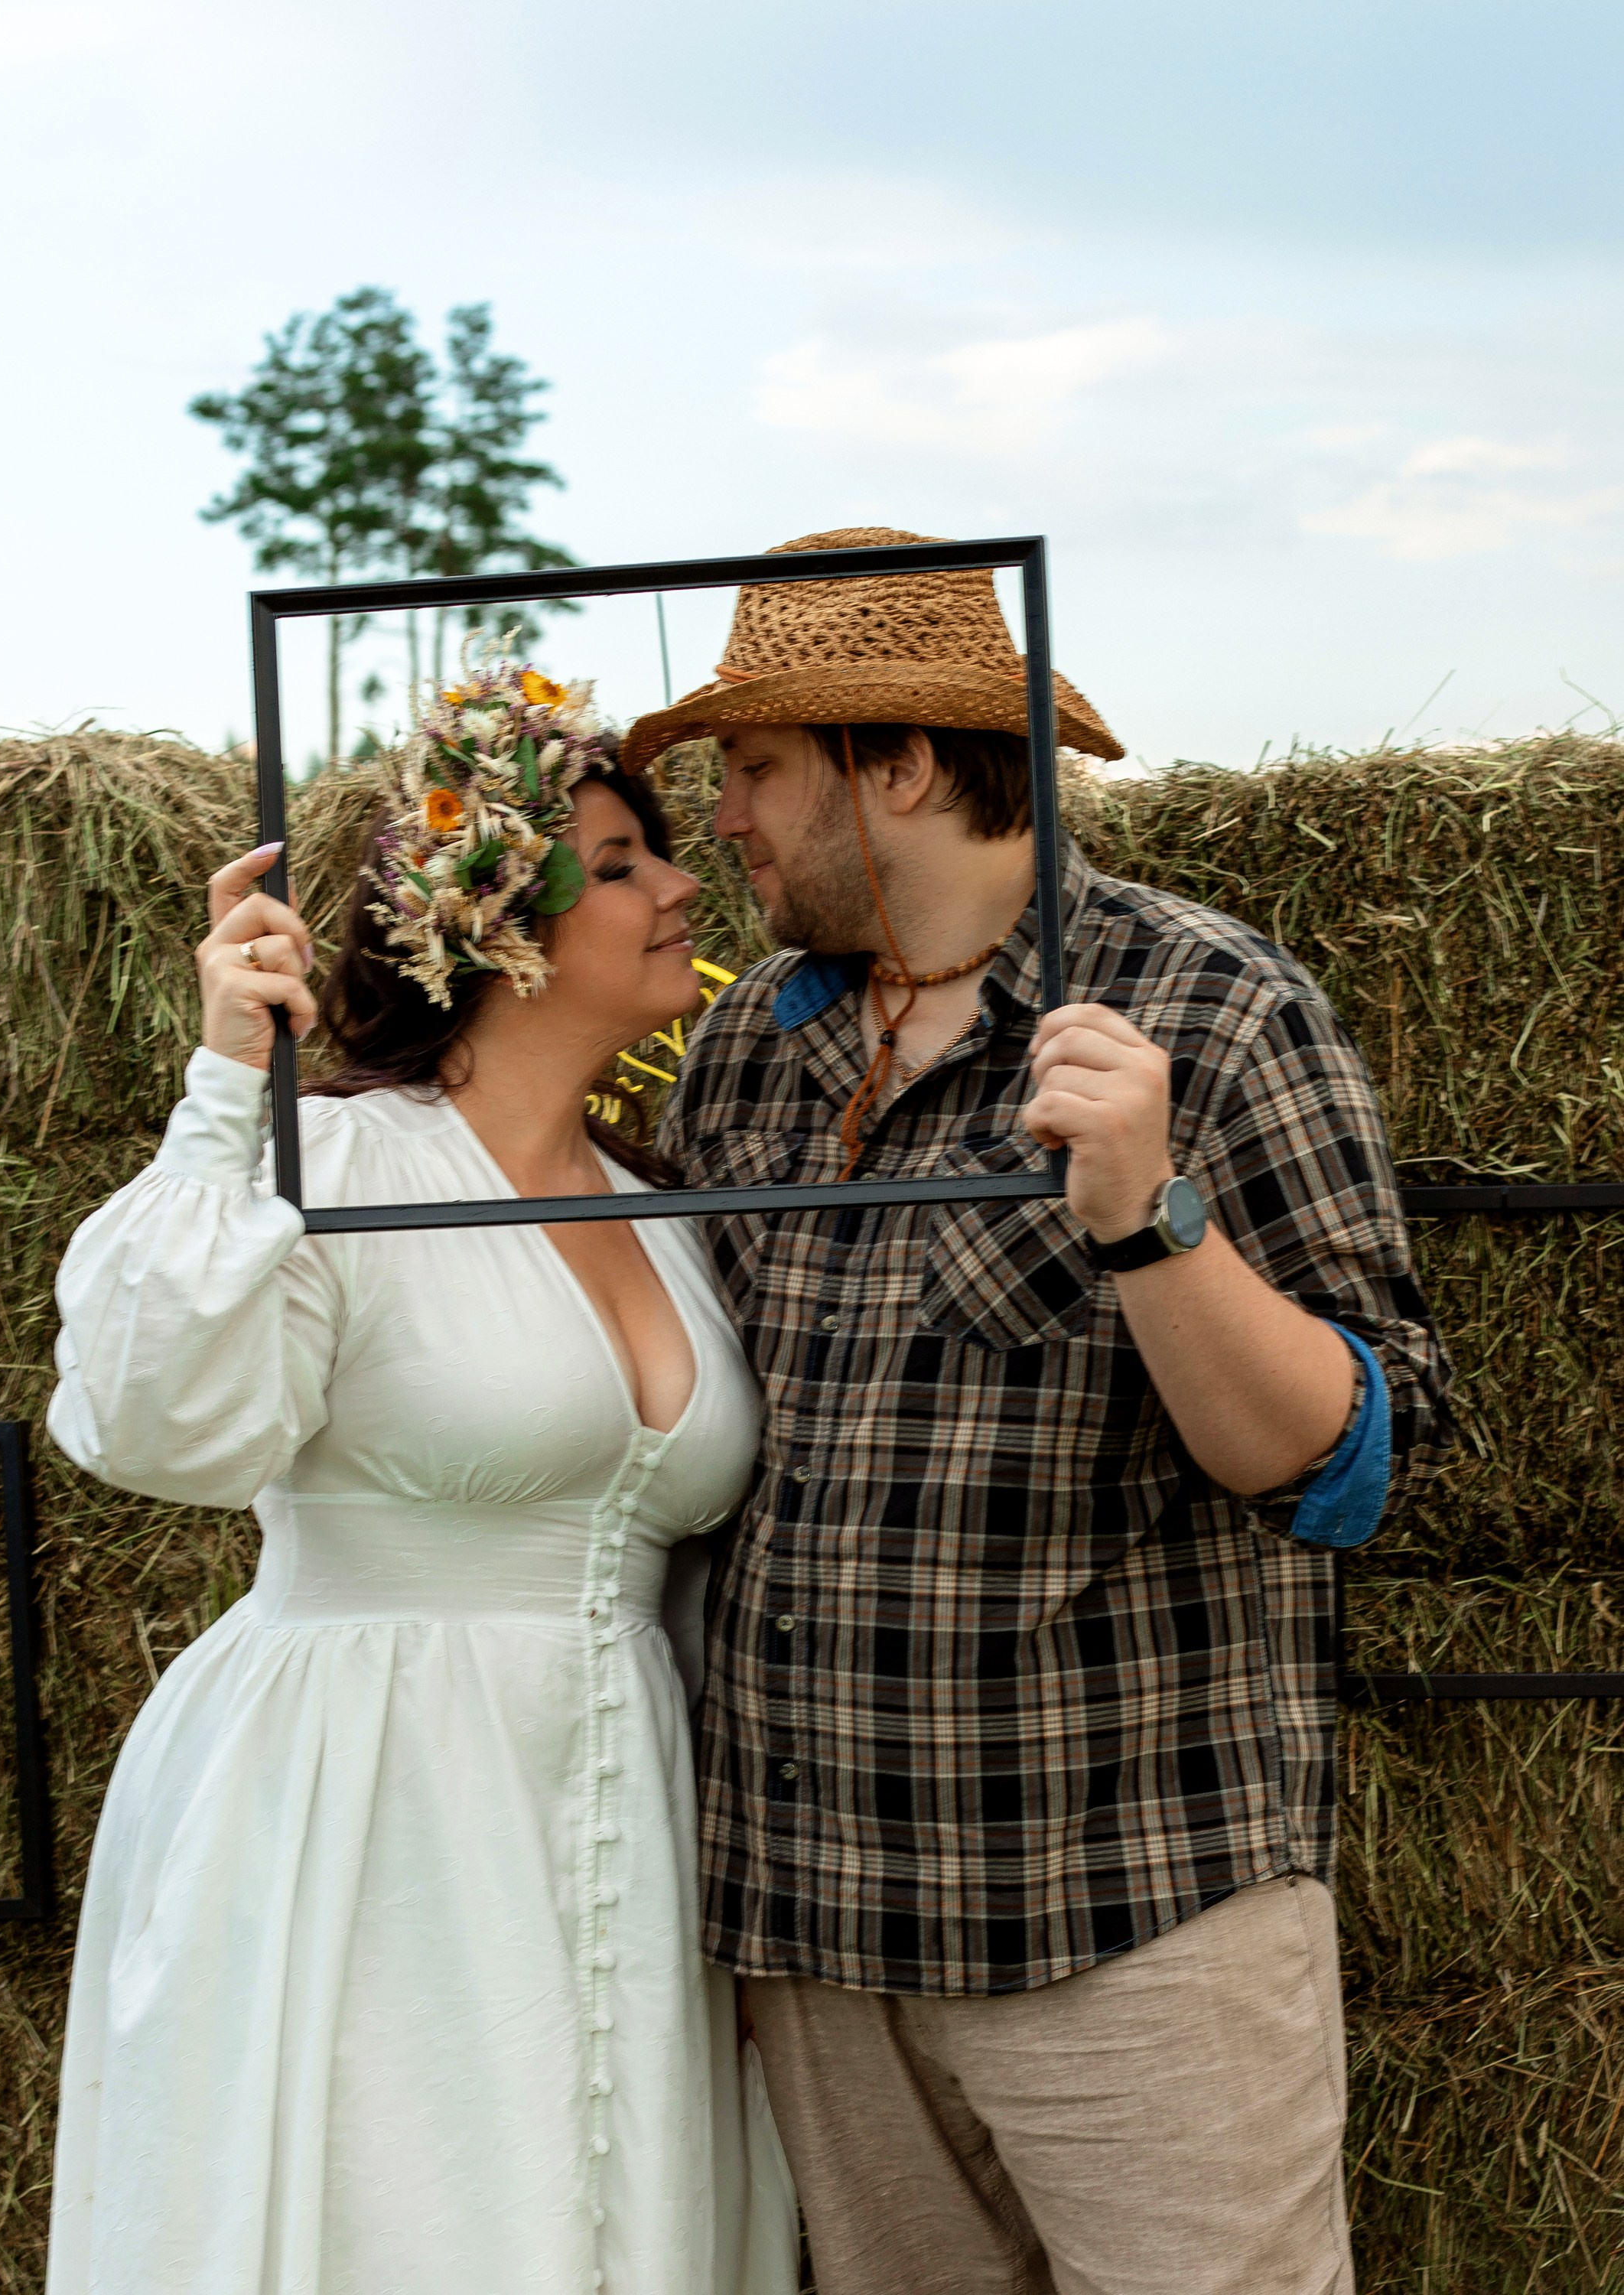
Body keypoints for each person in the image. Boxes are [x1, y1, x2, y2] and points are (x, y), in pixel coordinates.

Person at [626, 530, 1456, 2295]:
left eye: (755, 767)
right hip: (814, 1929)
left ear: (898, 766)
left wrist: (1151, 1217)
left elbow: (1343, 1464)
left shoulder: (1213, 1006)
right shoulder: (748, 1045)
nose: (726, 819)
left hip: (1124, 1914)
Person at [44, 659, 798, 2295]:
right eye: (621, 866)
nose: (684, 890)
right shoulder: (339, 1168)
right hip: (364, 1796)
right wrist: (225, 1090)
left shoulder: (672, 1211)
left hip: (622, 1797)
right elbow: (154, 1424)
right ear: (496, 929)